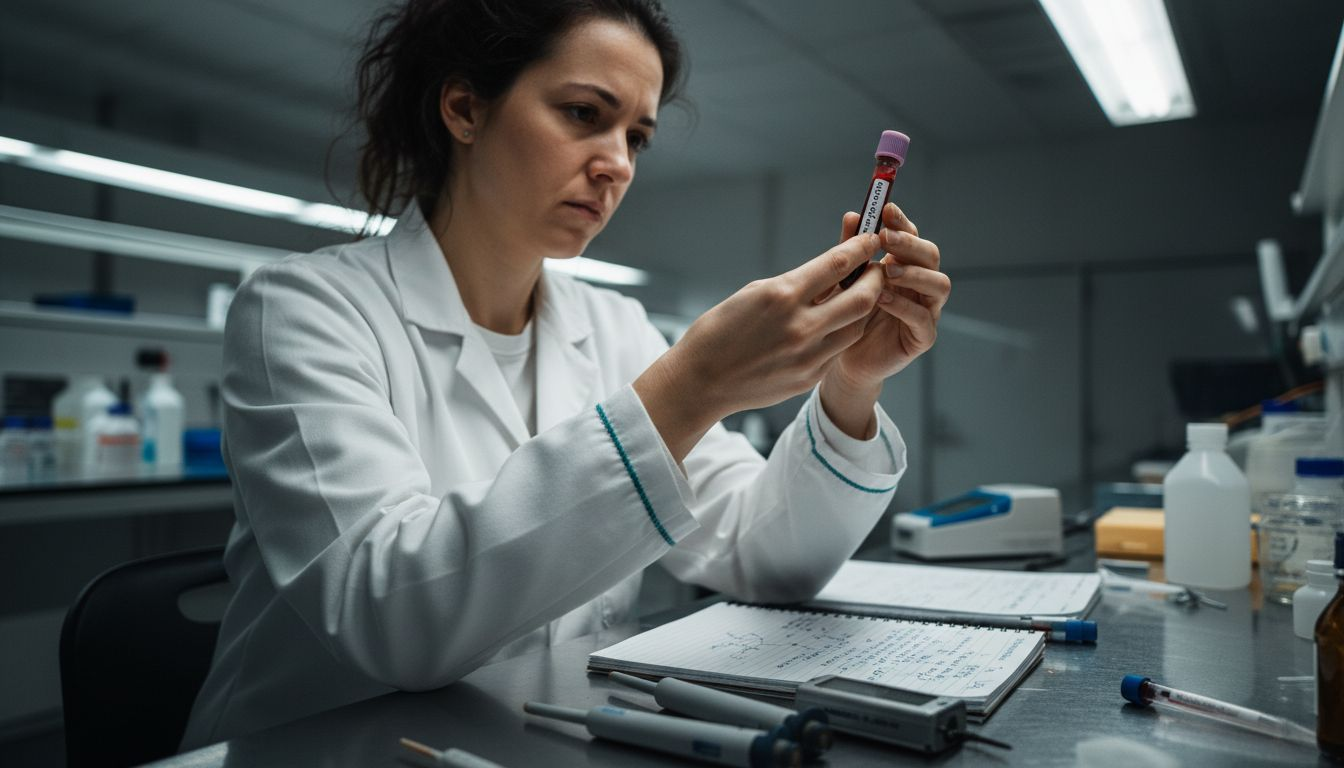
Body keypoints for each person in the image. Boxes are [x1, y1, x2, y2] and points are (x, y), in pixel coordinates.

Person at [181, 0, 949, 750]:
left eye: (637, 137)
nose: (617, 163)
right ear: (464, 109)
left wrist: (851, 386)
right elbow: (389, 622)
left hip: (535, 736)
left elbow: (762, 555)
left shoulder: (611, 327)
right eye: (585, 113)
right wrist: (691, 388)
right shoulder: (303, 307)